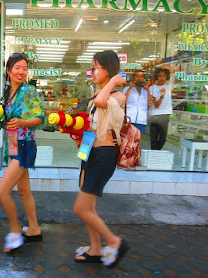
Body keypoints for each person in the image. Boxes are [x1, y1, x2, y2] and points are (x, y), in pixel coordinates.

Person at [73, 50, 129, 267]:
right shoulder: (98, 94)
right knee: (88, 208)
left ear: (108, 69)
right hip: (90, 153)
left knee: (81, 208)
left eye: (96, 67)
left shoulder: (116, 96)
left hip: (104, 156)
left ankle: (114, 242)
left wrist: (115, 80)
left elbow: (102, 101)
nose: (92, 71)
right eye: (92, 66)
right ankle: (96, 249)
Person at [0, 53, 45, 253]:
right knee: (24, 191)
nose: (21, 71)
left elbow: (40, 118)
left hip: (24, 145)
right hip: (12, 144)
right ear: (8, 71)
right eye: (17, 68)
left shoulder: (29, 91)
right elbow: (2, 117)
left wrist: (23, 122)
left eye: (24, 68)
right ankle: (34, 229)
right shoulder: (6, 92)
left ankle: (15, 231)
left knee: (2, 192)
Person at [149, 68, 180, 150]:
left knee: (163, 139)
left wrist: (174, 70)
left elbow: (179, 78)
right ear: (156, 77)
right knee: (154, 138)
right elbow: (157, 105)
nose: (162, 78)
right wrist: (162, 96)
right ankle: (154, 155)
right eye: (159, 76)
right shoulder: (152, 88)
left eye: (164, 76)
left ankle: (156, 153)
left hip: (165, 115)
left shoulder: (168, 85)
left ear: (167, 76)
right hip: (155, 115)